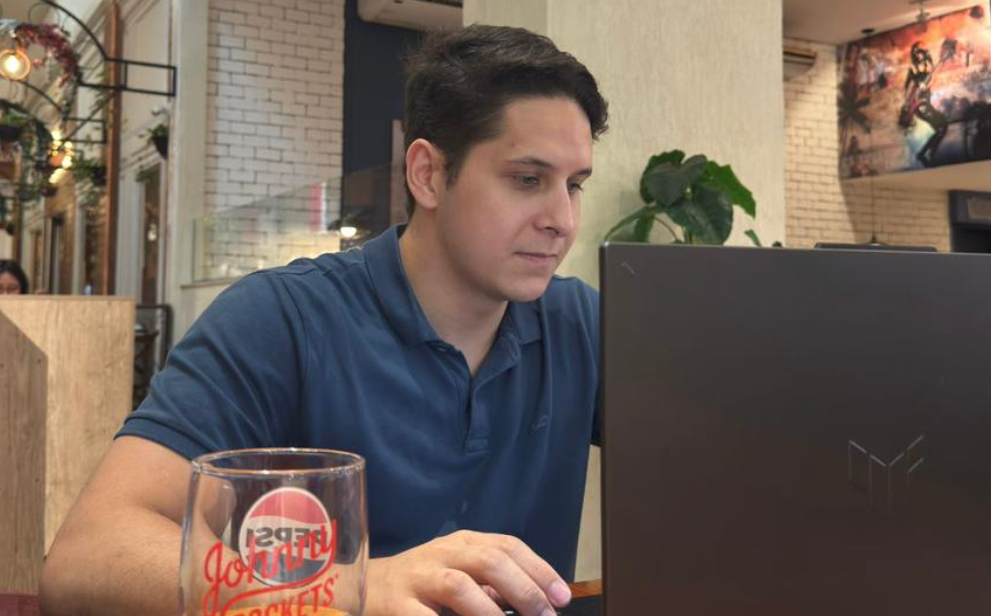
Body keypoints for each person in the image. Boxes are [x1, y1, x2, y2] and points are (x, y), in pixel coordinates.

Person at [41, 24, 608, 616]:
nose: (563, 220)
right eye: (527, 180)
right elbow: (86, 557)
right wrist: (352, 588)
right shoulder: (282, 318)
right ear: (428, 174)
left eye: (573, 185)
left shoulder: (582, 323)